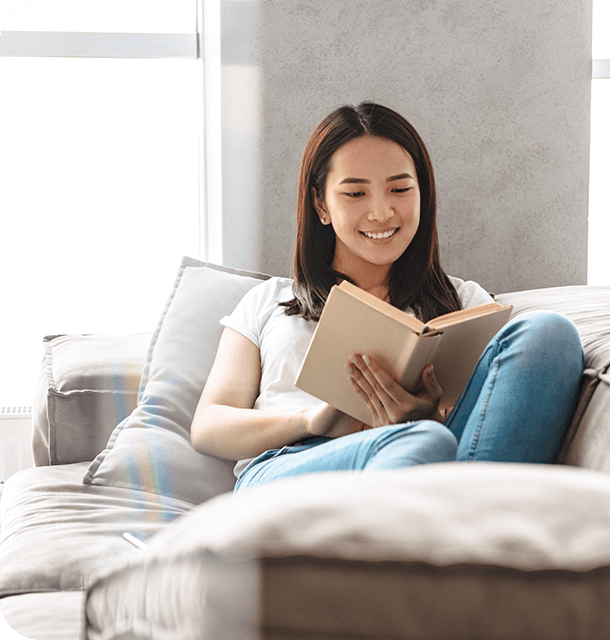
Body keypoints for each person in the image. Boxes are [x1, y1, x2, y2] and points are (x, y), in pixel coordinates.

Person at [190, 102, 584, 492]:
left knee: (548, 332)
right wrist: (314, 420)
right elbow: (208, 428)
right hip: (291, 467)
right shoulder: (268, 301)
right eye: (355, 194)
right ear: (320, 205)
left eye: (399, 189)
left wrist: (430, 417)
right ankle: (459, 524)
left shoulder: (465, 300)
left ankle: (457, 523)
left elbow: (487, 420)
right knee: (420, 442)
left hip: (440, 466)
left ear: (422, 195)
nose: (381, 212)